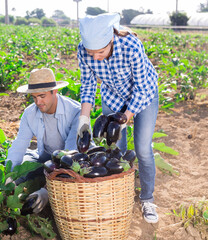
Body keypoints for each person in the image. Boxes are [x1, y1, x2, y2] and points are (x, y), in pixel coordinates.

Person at [77, 13, 159, 224]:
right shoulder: (82, 50)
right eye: (90, 52)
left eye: (100, 52)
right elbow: (88, 85)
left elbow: (141, 88)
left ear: (111, 40)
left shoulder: (130, 45)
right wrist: (84, 120)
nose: (95, 57)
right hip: (112, 96)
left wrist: (125, 118)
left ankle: (147, 199)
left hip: (144, 95)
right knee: (114, 151)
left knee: (142, 149)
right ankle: (119, 196)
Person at [6, 68, 81, 214]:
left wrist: (47, 191)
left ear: (55, 92)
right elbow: (19, 145)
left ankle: (49, 186)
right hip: (45, 157)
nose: (38, 102)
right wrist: (9, 175)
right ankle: (22, 184)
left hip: (74, 159)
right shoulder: (30, 113)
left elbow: (71, 156)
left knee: (77, 175)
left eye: (42, 96)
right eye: (34, 97)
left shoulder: (75, 112)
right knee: (23, 162)